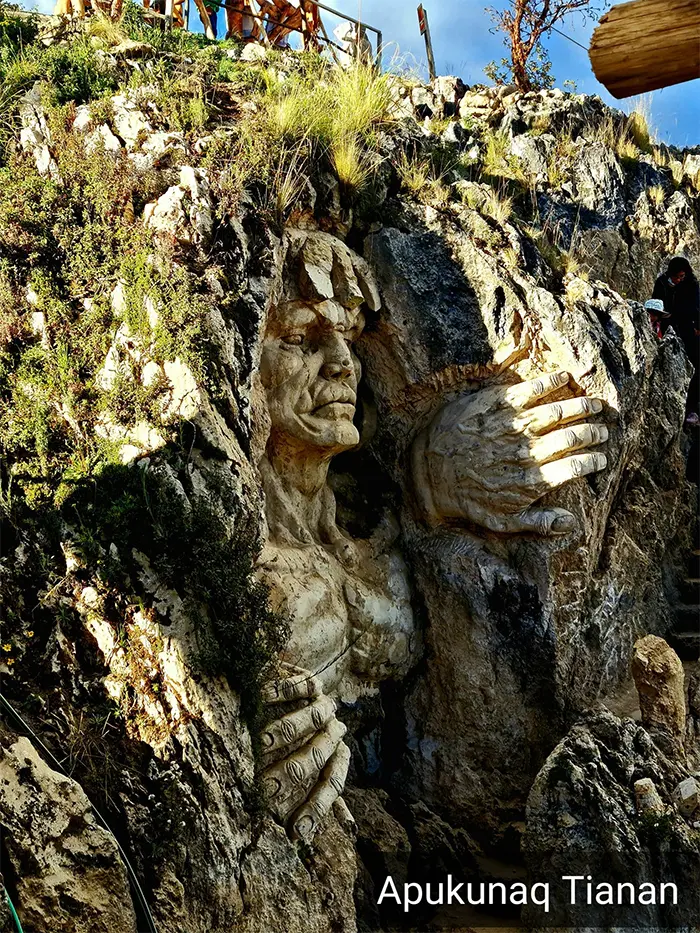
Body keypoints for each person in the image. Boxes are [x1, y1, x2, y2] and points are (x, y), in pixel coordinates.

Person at [653, 256, 700, 425]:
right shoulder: (662, 283)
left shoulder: (691, 285)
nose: (678, 280)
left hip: (688, 329)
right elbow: (656, 305)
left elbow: (696, 308)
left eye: (681, 277)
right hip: (668, 330)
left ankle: (691, 408)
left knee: (695, 365)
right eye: (676, 277)